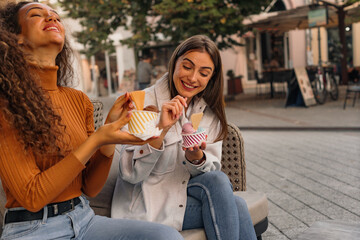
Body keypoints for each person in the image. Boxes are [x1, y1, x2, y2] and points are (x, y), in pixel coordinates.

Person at [0, 2, 184, 239]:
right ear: (16, 39)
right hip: (32, 228)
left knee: (166, 237)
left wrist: (107, 140)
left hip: (84, 220)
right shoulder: (7, 104)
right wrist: (97, 138)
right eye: (36, 15)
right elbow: (32, 197)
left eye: (56, 16)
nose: (52, 18)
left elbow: (90, 188)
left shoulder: (79, 101)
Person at [112, 35, 257, 240]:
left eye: (204, 73)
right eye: (187, 67)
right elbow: (131, 174)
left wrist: (196, 158)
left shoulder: (209, 115)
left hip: (183, 194)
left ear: (211, 78)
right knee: (238, 206)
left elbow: (211, 174)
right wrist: (160, 130)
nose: (192, 78)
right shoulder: (142, 103)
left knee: (220, 182)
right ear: (175, 63)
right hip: (145, 205)